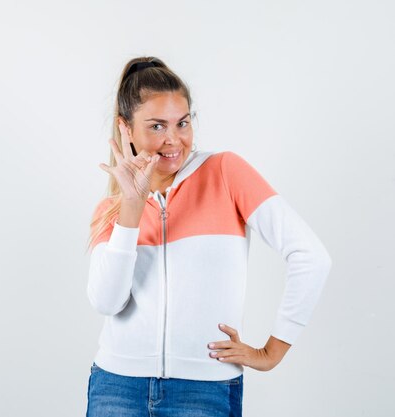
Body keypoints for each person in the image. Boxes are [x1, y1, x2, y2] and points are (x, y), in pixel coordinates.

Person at [85, 57, 332, 417]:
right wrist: (132, 208)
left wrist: (272, 351)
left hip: (204, 390)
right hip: (117, 386)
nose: (174, 140)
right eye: (156, 126)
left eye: (182, 123)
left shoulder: (225, 172)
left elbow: (311, 255)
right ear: (126, 129)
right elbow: (107, 303)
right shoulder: (112, 208)